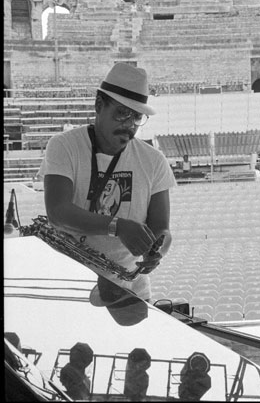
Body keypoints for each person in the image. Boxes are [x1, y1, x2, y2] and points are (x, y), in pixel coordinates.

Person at [39, 62, 176, 301]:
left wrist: (158, 251)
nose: (130, 125)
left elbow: (161, 228)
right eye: (122, 113)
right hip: (70, 287)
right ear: (99, 105)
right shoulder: (63, 146)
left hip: (130, 289)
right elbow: (57, 212)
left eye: (137, 117)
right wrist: (118, 226)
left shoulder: (154, 160)